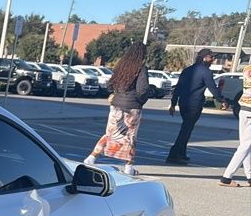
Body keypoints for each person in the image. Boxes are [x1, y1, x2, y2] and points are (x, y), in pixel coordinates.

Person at [84, 42, 152, 175]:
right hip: (132, 107)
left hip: (116, 105)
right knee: (130, 137)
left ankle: (91, 157)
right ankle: (128, 167)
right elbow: (142, 90)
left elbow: (110, 85)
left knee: (110, 133)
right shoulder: (141, 68)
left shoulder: (121, 66)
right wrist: (141, 101)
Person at [166, 48, 228, 164]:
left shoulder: (187, 70)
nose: (213, 59)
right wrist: (222, 100)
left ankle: (182, 153)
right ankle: (173, 154)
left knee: (187, 128)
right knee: (186, 130)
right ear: (204, 58)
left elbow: (178, 87)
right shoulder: (206, 71)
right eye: (211, 57)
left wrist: (173, 103)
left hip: (183, 103)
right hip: (194, 104)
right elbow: (212, 88)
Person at [218, 63, 251, 187]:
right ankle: (227, 177)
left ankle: (249, 176)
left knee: (246, 145)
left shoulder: (247, 68)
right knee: (245, 146)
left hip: (244, 108)